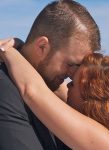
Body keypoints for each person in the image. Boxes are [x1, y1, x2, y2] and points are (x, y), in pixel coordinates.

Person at [1, 45, 109, 150]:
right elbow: (52, 90)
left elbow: (33, 91)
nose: (66, 87)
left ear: (90, 100)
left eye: (72, 83)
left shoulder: (104, 142)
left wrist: (9, 50)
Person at [0, 0, 100, 149]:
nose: (73, 75)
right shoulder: (5, 90)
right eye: (71, 64)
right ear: (42, 47)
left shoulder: (52, 94)